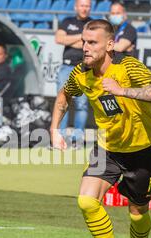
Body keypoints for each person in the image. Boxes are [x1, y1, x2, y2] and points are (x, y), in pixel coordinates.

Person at [50, 19, 151, 238]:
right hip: (108, 148)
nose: (85, 48)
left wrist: (121, 90)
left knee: (137, 213)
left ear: (110, 44)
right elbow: (64, 96)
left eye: (92, 43)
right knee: (86, 201)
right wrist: (54, 128)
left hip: (142, 150)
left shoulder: (127, 66)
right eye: (83, 42)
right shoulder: (81, 72)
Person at [55, 0, 92, 148]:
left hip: (85, 68)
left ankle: (77, 139)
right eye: (82, 5)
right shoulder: (67, 21)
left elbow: (89, 44)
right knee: (62, 102)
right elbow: (59, 38)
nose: (85, 8)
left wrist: (69, 40)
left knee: (81, 104)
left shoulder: (93, 24)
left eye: (87, 6)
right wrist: (81, 36)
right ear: (76, 7)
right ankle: (61, 138)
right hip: (66, 66)